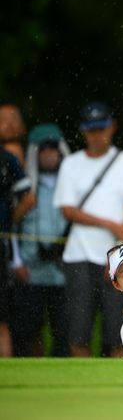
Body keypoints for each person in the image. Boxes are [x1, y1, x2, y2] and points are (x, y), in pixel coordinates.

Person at [54, 101, 123, 357]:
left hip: (116, 259)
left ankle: (119, 393)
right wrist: (108, 223)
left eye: (101, 128)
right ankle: (82, 391)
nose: (97, 134)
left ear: (112, 127)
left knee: (120, 334)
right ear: (84, 131)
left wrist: (116, 259)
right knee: (78, 332)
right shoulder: (71, 164)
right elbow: (68, 210)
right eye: (92, 129)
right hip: (78, 256)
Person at [10, 124, 71, 357]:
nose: (48, 154)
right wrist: (15, 262)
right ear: (35, 153)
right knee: (28, 329)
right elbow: (11, 228)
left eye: (53, 149)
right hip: (29, 269)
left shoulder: (71, 187)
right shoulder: (23, 189)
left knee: (63, 331)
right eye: (43, 150)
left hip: (63, 271)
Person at [0, 142, 34, 357]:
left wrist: (5, 225)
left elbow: (28, 198)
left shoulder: (6, 158)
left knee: (1, 320)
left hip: (1, 247)